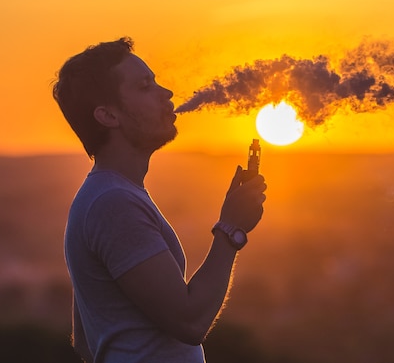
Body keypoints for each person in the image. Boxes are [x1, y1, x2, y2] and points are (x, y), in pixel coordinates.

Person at [52, 37, 267, 363]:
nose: (166, 93)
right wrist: (230, 230)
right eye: (144, 86)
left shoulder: (110, 196)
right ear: (108, 115)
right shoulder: (113, 204)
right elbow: (189, 321)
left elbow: (85, 341)